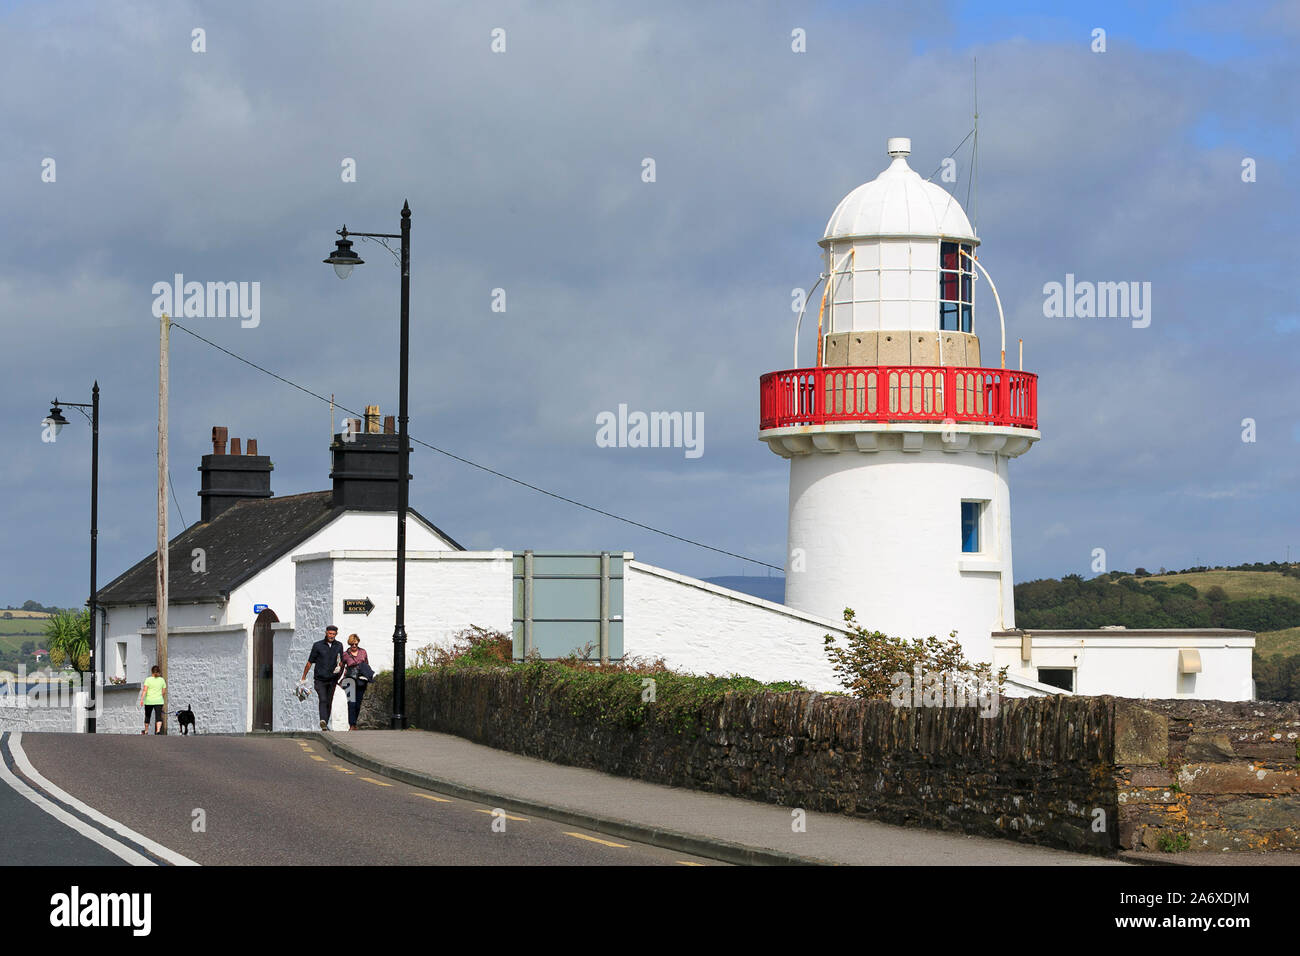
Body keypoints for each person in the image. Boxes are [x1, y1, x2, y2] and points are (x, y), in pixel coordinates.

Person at [301, 625, 345, 730]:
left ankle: (324, 724)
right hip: (320, 679)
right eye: (330, 633)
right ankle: (323, 720)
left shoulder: (339, 645)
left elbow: (341, 661)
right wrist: (303, 677)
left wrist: (339, 668)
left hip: (332, 679)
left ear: (336, 634)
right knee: (323, 699)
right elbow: (309, 662)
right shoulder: (317, 645)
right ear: (326, 633)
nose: (331, 636)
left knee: (329, 701)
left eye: (333, 634)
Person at [340, 634, 373, 731]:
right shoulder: (345, 654)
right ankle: (352, 724)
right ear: (349, 644)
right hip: (349, 679)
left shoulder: (363, 652)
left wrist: (368, 676)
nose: (354, 646)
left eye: (356, 644)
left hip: (361, 679)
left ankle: (354, 723)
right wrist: (337, 680)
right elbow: (341, 667)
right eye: (352, 644)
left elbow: (366, 665)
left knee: (358, 703)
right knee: (351, 702)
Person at [139, 665, 166, 735]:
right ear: (159, 671)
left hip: (149, 701)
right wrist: (160, 697)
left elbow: (144, 690)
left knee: (147, 715)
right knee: (158, 716)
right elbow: (163, 692)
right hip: (159, 701)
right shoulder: (162, 680)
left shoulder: (148, 679)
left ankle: (146, 731)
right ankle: (158, 731)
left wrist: (141, 699)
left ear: (152, 671)